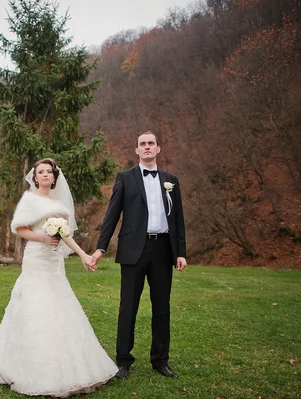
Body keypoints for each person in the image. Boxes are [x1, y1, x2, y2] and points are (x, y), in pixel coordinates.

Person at [0, 158, 118, 397]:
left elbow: (65, 234)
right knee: (36, 307)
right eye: (41, 172)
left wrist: (82, 254)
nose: (46, 175)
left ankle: (73, 366)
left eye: (49, 171)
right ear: (35, 177)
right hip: (36, 259)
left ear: (53, 177)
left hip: (54, 263)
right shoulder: (29, 200)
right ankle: (31, 366)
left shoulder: (59, 205)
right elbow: (19, 229)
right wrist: (43, 238)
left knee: (60, 305)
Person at [91, 131, 187, 380]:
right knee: (128, 307)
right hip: (134, 250)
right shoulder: (125, 178)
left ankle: (160, 360)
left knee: (162, 308)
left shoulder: (171, 181)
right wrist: (101, 247)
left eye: (150, 144)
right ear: (136, 151)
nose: (146, 147)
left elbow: (178, 220)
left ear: (158, 149)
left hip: (163, 250)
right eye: (142, 144)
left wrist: (181, 252)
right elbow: (112, 215)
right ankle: (123, 361)